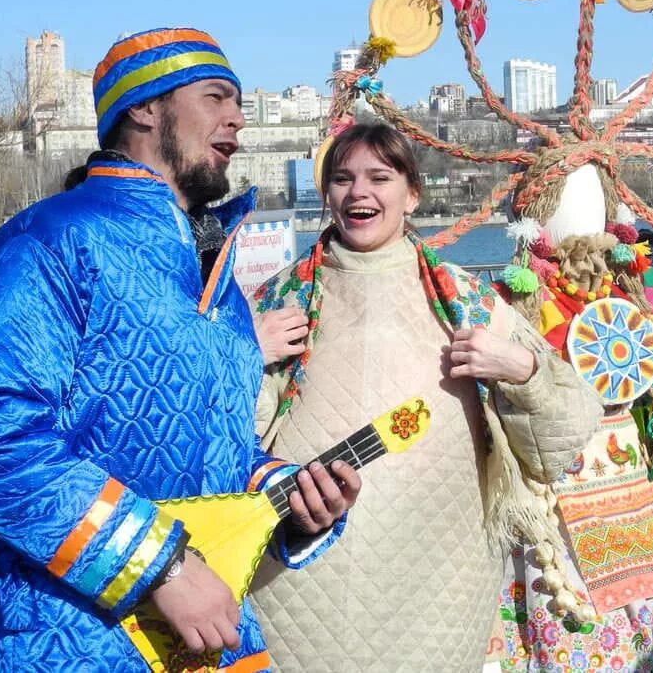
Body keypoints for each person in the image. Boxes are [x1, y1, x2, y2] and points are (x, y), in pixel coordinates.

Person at [0, 27, 357, 670]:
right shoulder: (47, 243)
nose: (237, 119)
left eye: (237, 103)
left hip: (204, 641)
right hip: (62, 640)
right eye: (216, 97)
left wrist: (289, 497)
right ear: (144, 107)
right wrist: (160, 567)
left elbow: (213, 449)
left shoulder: (217, 282)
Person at [248, 122, 601, 670]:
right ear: (326, 196)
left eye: (378, 177)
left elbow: (567, 431)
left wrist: (522, 368)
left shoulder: (465, 300)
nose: (358, 192)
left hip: (440, 573)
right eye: (342, 179)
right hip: (298, 570)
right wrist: (246, 353)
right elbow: (221, 437)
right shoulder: (279, 298)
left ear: (412, 194)